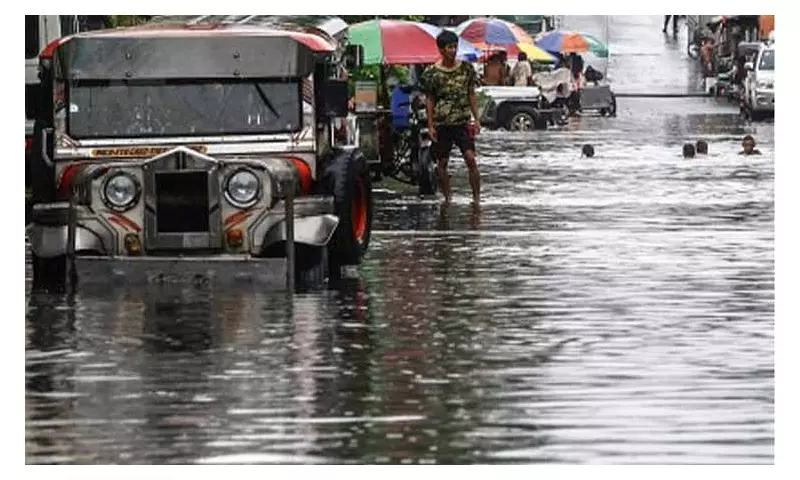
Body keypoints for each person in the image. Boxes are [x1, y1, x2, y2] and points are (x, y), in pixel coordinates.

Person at [420, 30, 482, 206]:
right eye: (449, 47)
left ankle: (476, 199)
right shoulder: (432, 73)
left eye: (455, 47)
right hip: (442, 123)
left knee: (470, 158)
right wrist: (431, 125)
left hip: (462, 122)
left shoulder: (466, 69)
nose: (453, 51)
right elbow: (430, 99)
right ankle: (447, 198)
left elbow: (471, 94)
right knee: (442, 162)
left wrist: (477, 119)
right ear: (441, 49)